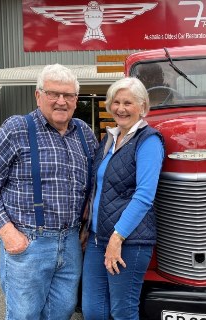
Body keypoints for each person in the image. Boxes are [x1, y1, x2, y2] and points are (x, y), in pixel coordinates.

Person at [0, 63, 97, 320]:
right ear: (38, 96)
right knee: (24, 315)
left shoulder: (84, 133)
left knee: (62, 311)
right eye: (53, 94)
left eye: (68, 95)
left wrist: (86, 226)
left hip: (70, 242)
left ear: (76, 99)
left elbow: (94, 183)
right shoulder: (17, 129)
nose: (61, 101)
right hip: (29, 243)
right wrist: (8, 233)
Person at [81, 77, 164, 320]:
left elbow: (144, 196)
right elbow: (98, 188)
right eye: (115, 102)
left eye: (128, 102)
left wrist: (117, 238)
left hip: (127, 242)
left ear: (143, 107)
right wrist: (87, 228)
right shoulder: (109, 139)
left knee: (123, 312)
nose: (121, 108)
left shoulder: (148, 141)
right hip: (98, 239)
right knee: (93, 311)